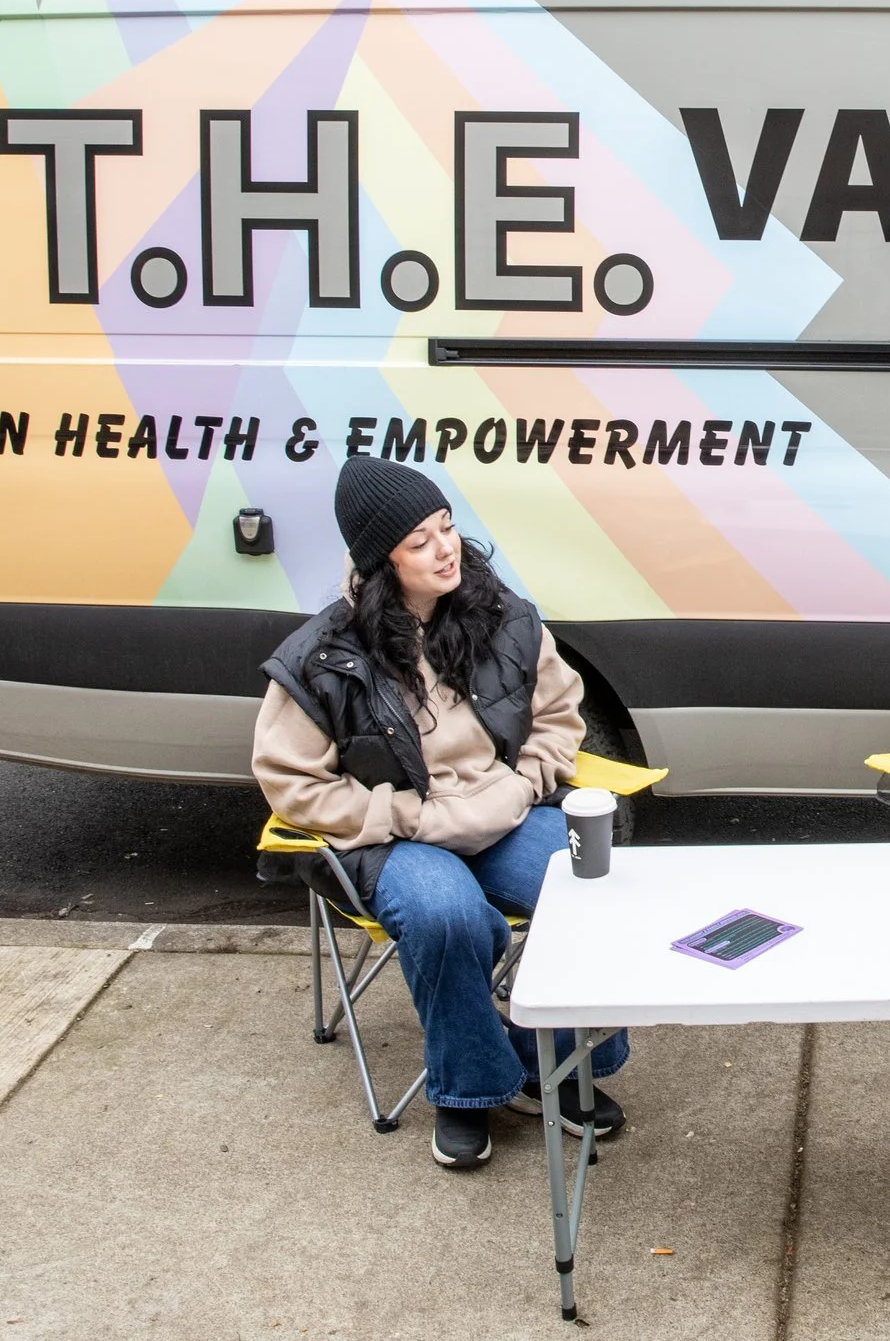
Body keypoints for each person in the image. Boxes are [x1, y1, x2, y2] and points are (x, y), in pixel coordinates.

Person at [253, 456, 627, 1170]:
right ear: (380, 561)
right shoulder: (325, 655)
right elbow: (289, 781)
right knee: (445, 913)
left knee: (592, 880)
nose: (446, 548)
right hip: (401, 835)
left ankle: (558, 1062)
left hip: (502, 812)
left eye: (447, 527)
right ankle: (469, 1087)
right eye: (420, 540)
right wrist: (402, 815)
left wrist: (524, 784)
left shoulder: (504, 618)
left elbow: (559, 717)